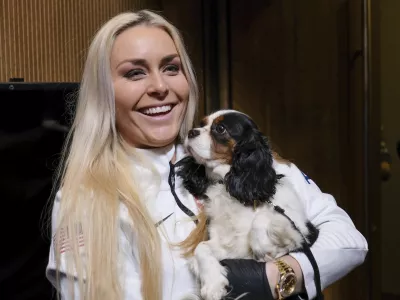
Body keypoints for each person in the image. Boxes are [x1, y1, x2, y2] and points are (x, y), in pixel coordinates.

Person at [45, 9, 368, 300]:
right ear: (104, 93)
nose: (160, 86)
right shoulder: (85, 199)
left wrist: (279, 276)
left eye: (171, 68)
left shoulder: (240, 160)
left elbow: (349, 240)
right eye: (135, 73)